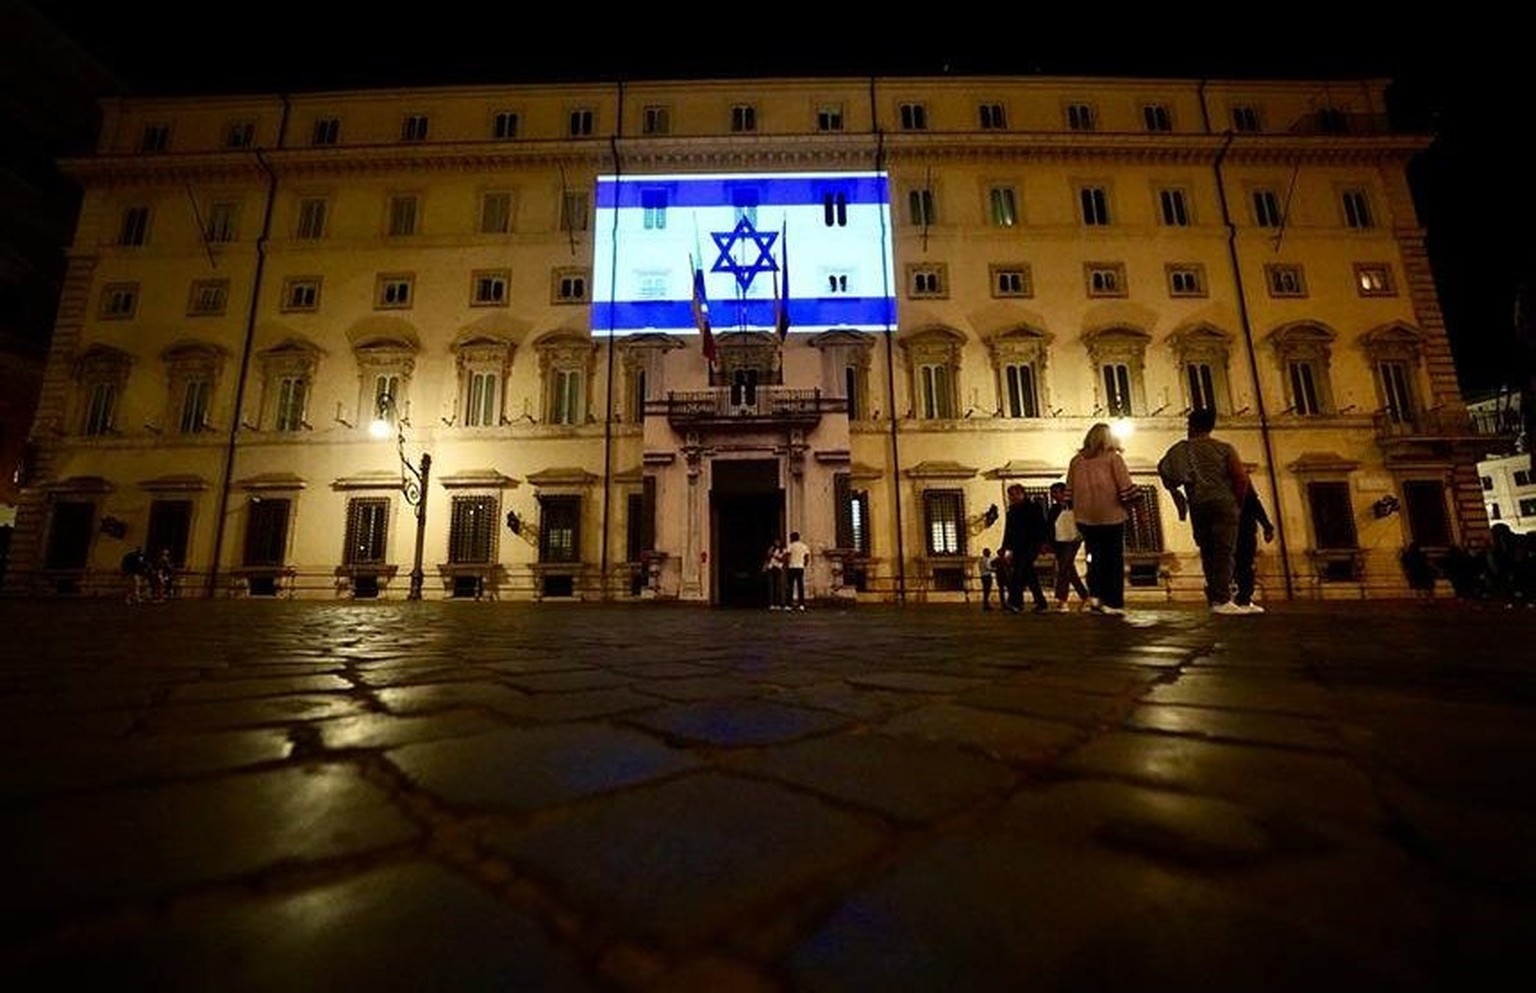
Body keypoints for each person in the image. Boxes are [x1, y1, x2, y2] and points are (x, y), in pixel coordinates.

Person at [1159, 408, 1252, 616]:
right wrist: (1236, 503)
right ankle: (1222, 599)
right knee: (1224, 552)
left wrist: (1179, 488)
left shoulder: (1181, 449)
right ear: (1211, 426)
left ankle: (1215, 597)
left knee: (1208, 552)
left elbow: (1165, 470)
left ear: (1190, 425)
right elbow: (1240, 478)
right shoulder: (1224, 449)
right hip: (1223, 503)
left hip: (1198, 504)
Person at [1065, 423, 1138, 616]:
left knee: (1093, 558)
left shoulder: (1076, 461)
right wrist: (1136, 509)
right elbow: (1125, 487)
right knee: (1113, 560)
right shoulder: (1113, 459)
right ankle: (1112, 601)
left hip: (1085, 518)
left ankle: (1095, 595)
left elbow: (1069, 491)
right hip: (1111, 516)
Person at [1000, 483, 1051, 613]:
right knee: (1029, 574)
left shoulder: (1033, 508)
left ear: (1021, 493)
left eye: (1013, 494)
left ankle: (1015, 602)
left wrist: (1043, 543)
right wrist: (1005, 548)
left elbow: (1041, 526)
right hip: (1017, 547)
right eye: (1010, 494)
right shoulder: (1012, 511)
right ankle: (1041, 602)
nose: (1011, 497)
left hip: (1031, 545)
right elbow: (1009, 531)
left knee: (1019, 573)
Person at [1046, 481, 1090, 612]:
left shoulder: (1076, 506)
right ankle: (1085, 596)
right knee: (1069, 570)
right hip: (1059, 541)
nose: (1053, 495)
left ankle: (1062, 600)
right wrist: (1048, 543)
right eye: (1052, 493)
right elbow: (1049, 526)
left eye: (1056, 492)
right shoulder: (1054, 509)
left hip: (1073, 540)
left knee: (1064, 567)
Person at [1233, 488, 1275, 612]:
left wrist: (1267, 526)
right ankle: (1243, 598)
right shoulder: (1242, 480)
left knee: (1236, 564)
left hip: (1233, 529)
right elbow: (1254, 503)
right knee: (1244, 564)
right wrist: (1267, 526)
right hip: (1243, 529)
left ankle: (1236, 597)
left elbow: (1254, 503)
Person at [784, 531, 811, 610]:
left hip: (792, 567)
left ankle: (789, 604)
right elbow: (806, 557)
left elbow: (787, 556)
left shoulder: (791, 546)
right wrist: (804, 564)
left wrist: (786, 564)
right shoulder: (804, 546)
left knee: (790, 586)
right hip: (800, 567)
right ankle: (801, 604)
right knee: (800, 586)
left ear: (792, 538)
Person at [764, 538, 786, 610]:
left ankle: (778, 603)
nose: (777, 543)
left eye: (778, 542)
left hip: (778, 568)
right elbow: (768, 558)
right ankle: (771, 603)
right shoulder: (772, 549)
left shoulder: (783, 550)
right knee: (771, 586)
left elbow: (783, 559)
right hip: (771, 567)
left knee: (778, 586)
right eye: (775, 542)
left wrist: (775, 556)